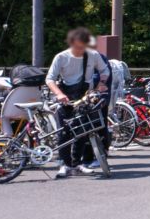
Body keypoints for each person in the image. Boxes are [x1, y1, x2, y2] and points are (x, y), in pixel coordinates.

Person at [46, 27, 109, 178]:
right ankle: (64, 164)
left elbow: (105, 71)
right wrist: (59, 94)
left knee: (83, 131)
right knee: (64, 131)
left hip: (85, 96)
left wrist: (101, 83)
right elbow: (50, 79)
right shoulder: (61, 57)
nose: (81, 49)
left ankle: (77, 164)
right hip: (66, 96)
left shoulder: (93, 55)